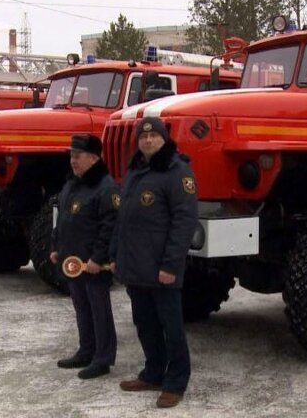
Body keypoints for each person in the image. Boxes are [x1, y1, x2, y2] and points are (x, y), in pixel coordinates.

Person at [112, 117, 198, 409]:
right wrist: (116, 257)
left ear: (164, 139)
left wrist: (171, 265)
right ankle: (153, 372)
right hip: (136, 265)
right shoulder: (136, 170)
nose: (148, 141)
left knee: (171, 325)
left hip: (162, 267)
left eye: (154, 136)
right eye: (143, 137)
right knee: (144, 322)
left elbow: (184, 222)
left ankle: (175, 381)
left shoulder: (177, 171)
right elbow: (124, 219)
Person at [51, 134, 119, 380]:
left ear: (93, 158)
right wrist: (56, 246)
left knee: (99, 310)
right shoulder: (72, 183)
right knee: (81, 307)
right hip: (72, 260)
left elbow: (109, 226)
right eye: (71, 156)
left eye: (77, 156)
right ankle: (86, 350)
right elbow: (63, 217)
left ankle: (103, 358)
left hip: (92, 264)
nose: (72, 161)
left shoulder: (106, 187)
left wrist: (98, 258)